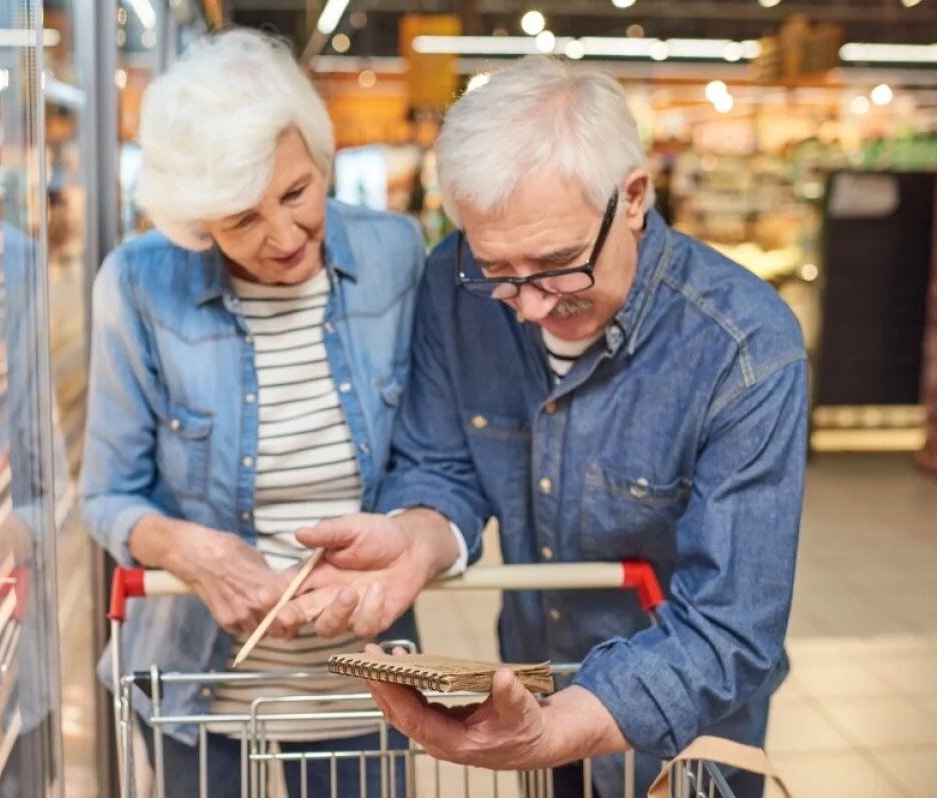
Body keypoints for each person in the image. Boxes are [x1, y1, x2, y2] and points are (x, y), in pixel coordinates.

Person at [273, 55, 808, 797]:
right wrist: (415, 536)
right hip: (532, 695)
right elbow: (444, 467)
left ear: (633, 197)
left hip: (691, 738)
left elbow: (730, 627)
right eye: (497, 269)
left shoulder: (744, 347)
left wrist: (558, 728)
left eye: (557, 265)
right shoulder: (452, 285)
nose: (525, 306)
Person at [79, 29, 436, 797]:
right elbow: (106, 495)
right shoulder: (139, 284)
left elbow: (432, 459)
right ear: (196, 223)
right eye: (240, 221)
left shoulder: (396, 256)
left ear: (318, 151)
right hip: (192, 691)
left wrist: (399, 538)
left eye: (296, 193)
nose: (283, 238)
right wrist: (190, 550)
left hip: (362, 683)